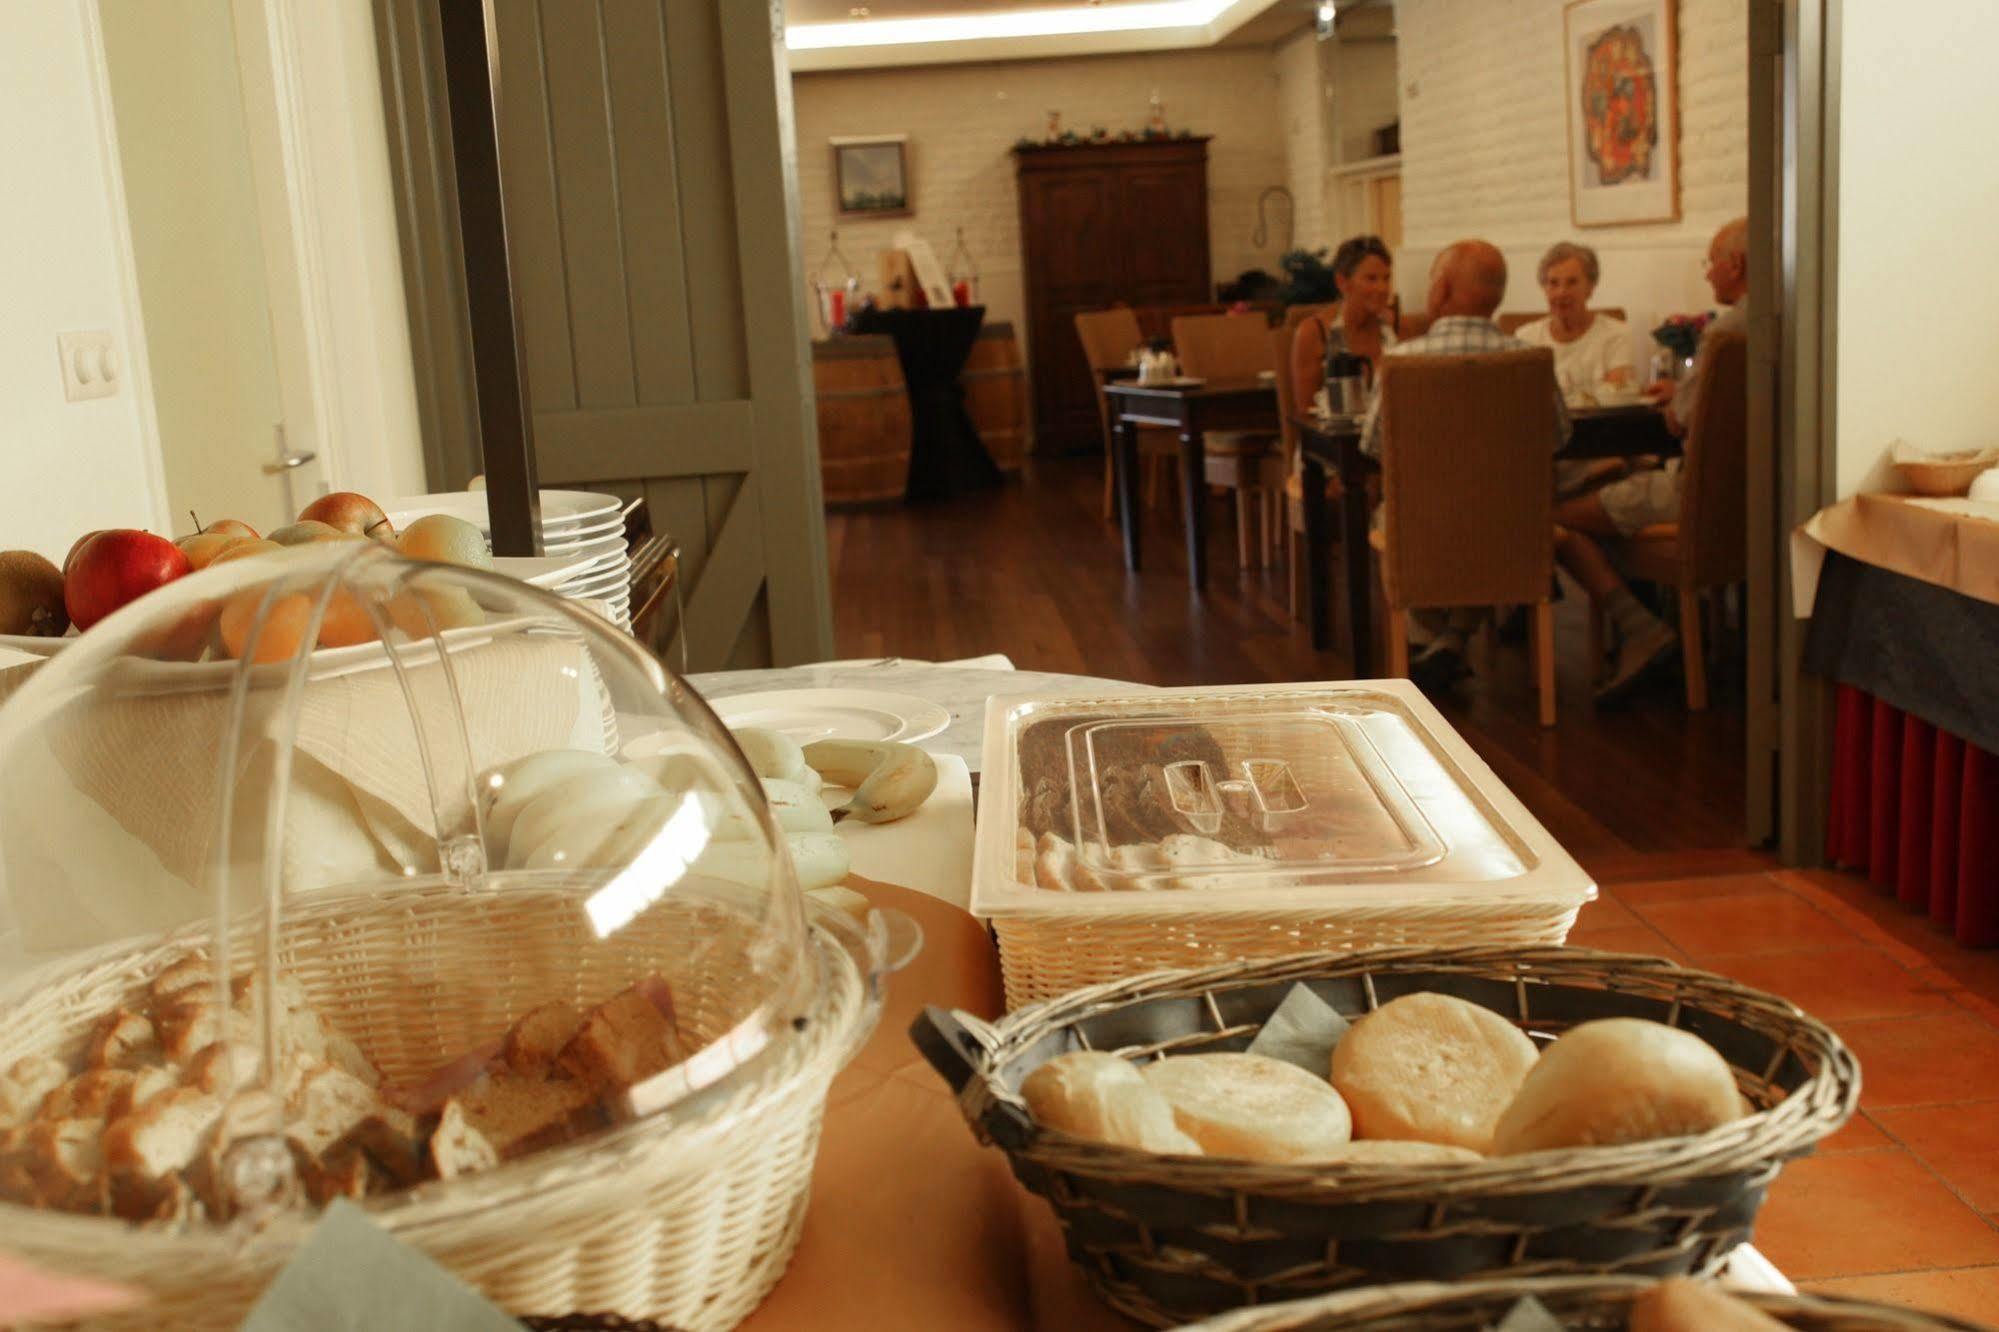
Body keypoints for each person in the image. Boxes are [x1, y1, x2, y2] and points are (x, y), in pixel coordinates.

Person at [1359, 239, 1570, 690]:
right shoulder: (1529, 360)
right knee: (1478, 519)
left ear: (1441, 290)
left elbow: (1376, 446)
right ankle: (1447, 645)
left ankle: (1425, 646)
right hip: (1512, 527)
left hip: (1423, 528)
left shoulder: (1401, 363)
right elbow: (1558, 438)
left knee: (1395, 518)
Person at [1555, 216, 1750, 704]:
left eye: (1711, 263)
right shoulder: (1783, 318)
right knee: (1617, 480)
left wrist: (1678, 401)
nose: (1707, 274)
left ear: (1737, 265)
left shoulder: (1726, 333)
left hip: (1690, 498)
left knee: (1553, 520)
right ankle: (1654, 630)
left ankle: (1644, 631)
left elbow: (1679, 423)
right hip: (1748, 499)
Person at [1514, 242, 1635, 401]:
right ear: (1544, 288)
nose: (1561, 292)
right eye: (1553, 283)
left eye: (1572, 283)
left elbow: (1616, 399)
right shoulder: (1526, 339)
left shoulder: (1617, 335)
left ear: (1590, 288)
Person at [1290, 235, 1397, 401]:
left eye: (1386, 278)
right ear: (1342, 282)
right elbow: (1305, 412)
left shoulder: (1396, 328)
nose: (1383, 288)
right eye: (1371, 278)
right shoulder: (1313, 333)